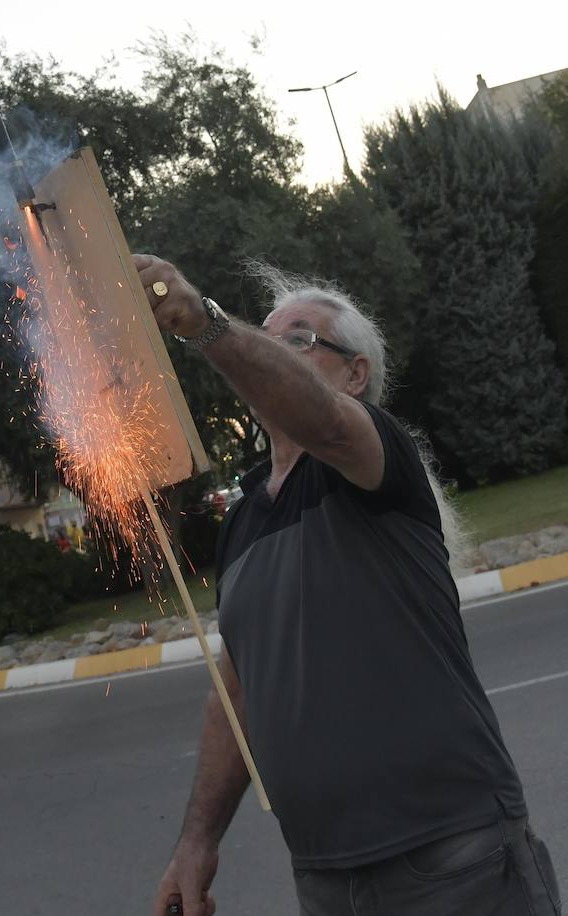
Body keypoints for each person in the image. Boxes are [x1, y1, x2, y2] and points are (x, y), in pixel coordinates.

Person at [136, 256, 560, 916]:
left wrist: (207, 322)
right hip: (326, 877)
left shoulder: (372, 458)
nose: (269, 350)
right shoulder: (245, 517)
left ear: (355, 374)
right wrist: (196, 842)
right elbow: (238, 692)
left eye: (297, 339)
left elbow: (326, 424)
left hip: (453, 856)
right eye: (264, 337)